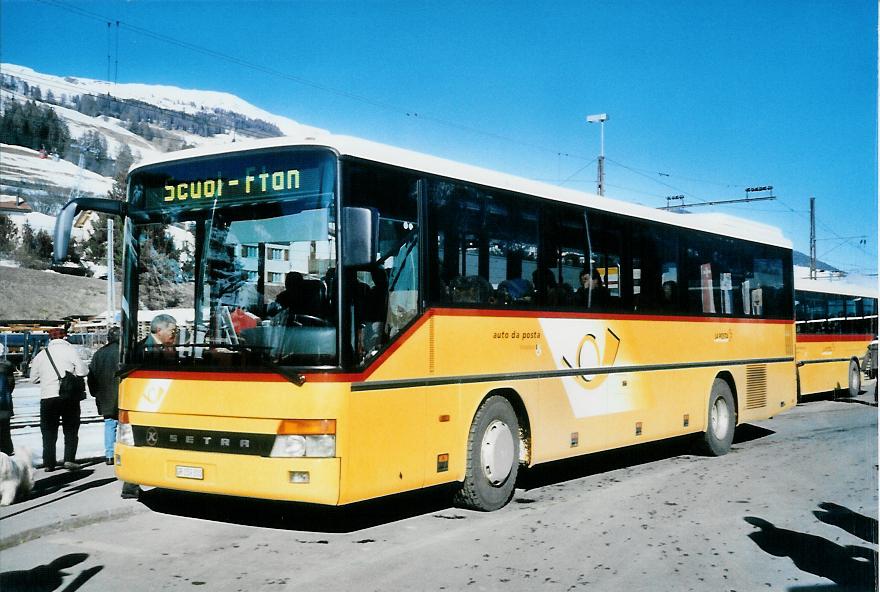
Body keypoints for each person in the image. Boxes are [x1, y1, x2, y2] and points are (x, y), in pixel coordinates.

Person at [28, 329, 88, 471]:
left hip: (48, 397)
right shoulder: (70, 351)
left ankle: (49, 463)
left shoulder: (42, 355)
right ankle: (69, 459)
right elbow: (83, 371)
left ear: (50, 339)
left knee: (48, 431)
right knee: (71, 429)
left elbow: (33, 379)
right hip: (68, 397)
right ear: (64, 337)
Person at [88, 327, 120, 465]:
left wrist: (95, 392)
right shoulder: (125, 352)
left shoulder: (98, 354)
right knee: (126, 425)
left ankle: (109, 455)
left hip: (105, 395)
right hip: (123, 393)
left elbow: (91, 376)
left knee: (109, 424)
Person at [0, 357, 15, 456]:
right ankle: (7, 450)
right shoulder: (7, 369)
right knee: (5, 430)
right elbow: (11, 386)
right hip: (4, 404)